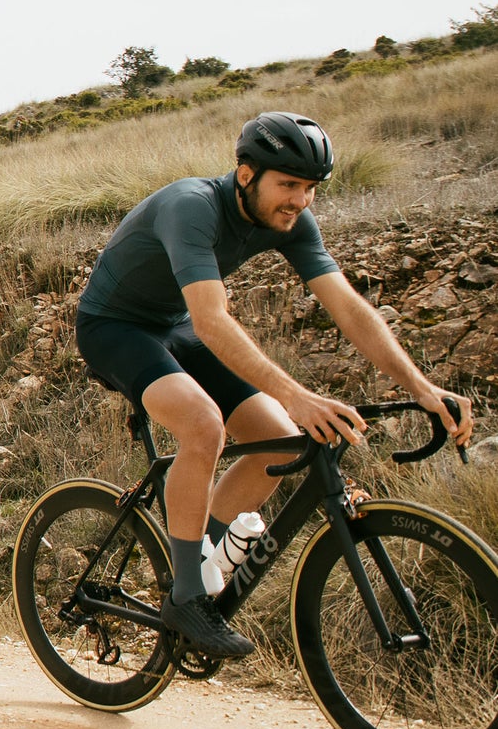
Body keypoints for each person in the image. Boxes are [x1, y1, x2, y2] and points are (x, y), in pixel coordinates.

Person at [75, 112, 472, 659]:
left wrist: (422, 386)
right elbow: (213, 321)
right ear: (246, 174)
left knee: (280, 440)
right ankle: (185, 595)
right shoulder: (192, 206)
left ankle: (200, 555)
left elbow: (349, 308)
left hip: (175, 324)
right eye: (288, 185)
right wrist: (297, 395)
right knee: (202, 424)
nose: (300, 200)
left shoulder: (291, 221)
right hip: (113, 326)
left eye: (310, 188)